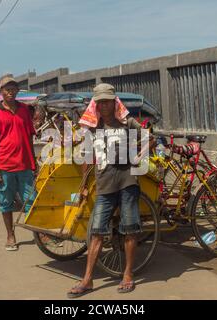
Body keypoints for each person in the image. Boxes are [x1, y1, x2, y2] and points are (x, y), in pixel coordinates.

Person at [67, 83, 156, 298]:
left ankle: (127, 274)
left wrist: (137, 155)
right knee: (96, 232)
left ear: (114, 102)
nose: (104, 105)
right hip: (105, 186)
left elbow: (150, 139)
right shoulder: (92, 126)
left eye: (108, 101)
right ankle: (87, 280)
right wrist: (84, 185)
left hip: (128, 183)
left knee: (130, 229)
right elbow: (86, 156)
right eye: (101, 102)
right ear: (95, 104)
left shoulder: (127, 122)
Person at [0, 76, 37, 251]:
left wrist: (34, 161)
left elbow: (29, 136)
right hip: (5, 165)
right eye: (7, 89)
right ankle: (10, 234)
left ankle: (39, 233)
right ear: (1, 92)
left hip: (24, 165)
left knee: (30, 200)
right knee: (5, 202)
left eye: (13, 88)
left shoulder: (24, 110)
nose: (10, 92)